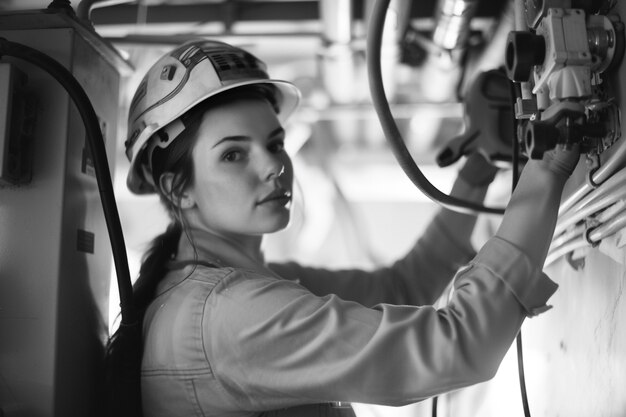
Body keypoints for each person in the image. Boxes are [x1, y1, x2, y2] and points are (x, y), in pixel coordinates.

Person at [107, 39, 580, 417]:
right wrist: (548, 166)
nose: (273, 166)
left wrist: (477, 168)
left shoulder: (223, 292)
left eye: (275, 143)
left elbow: (400, 286)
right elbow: (457, 347)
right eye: (234, 154)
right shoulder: (231, 315)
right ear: (178, 188)